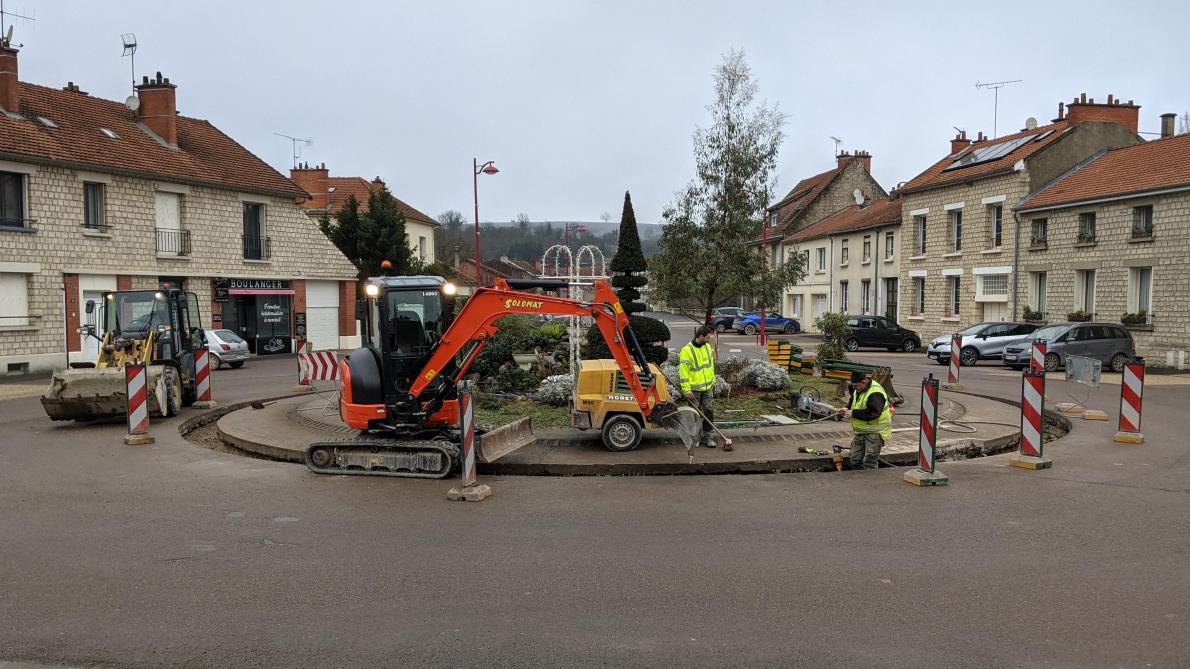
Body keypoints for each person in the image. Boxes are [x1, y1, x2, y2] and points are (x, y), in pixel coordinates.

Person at [679, 325, 723, 449]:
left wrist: (712, 381)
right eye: (707, 337)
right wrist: (686, 389)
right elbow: (683, 372)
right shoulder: (687, 350)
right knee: (694, 415)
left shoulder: (707, 347)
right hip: (693, 390)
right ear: (701, 336)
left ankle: (708, 437)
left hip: (707, 387)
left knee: (709, 411)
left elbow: (709, 366)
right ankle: (695, 437)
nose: (709, 340)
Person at [839, 370, 892, 470]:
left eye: (856, 386)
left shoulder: (875, 393)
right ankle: (860, 480)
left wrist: (853, 413)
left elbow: (874, 413)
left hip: (875, 432)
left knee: (869, 461)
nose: (854, 388)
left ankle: (870, 483)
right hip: (861, 431)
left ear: (864, 382)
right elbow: (853, 400)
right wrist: (847, 408)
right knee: (855, 459)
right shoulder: (859, 389)